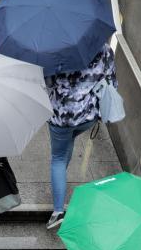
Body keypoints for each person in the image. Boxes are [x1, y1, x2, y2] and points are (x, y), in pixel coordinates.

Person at [44, 42, 116, 229]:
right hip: (87, 117)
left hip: (61, 116)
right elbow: (111, 83)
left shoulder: (55, 49)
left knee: (58, 159)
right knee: (69, 142)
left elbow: (48, 83)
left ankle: (58, 211)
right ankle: (59, 181)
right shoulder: (105, 49)